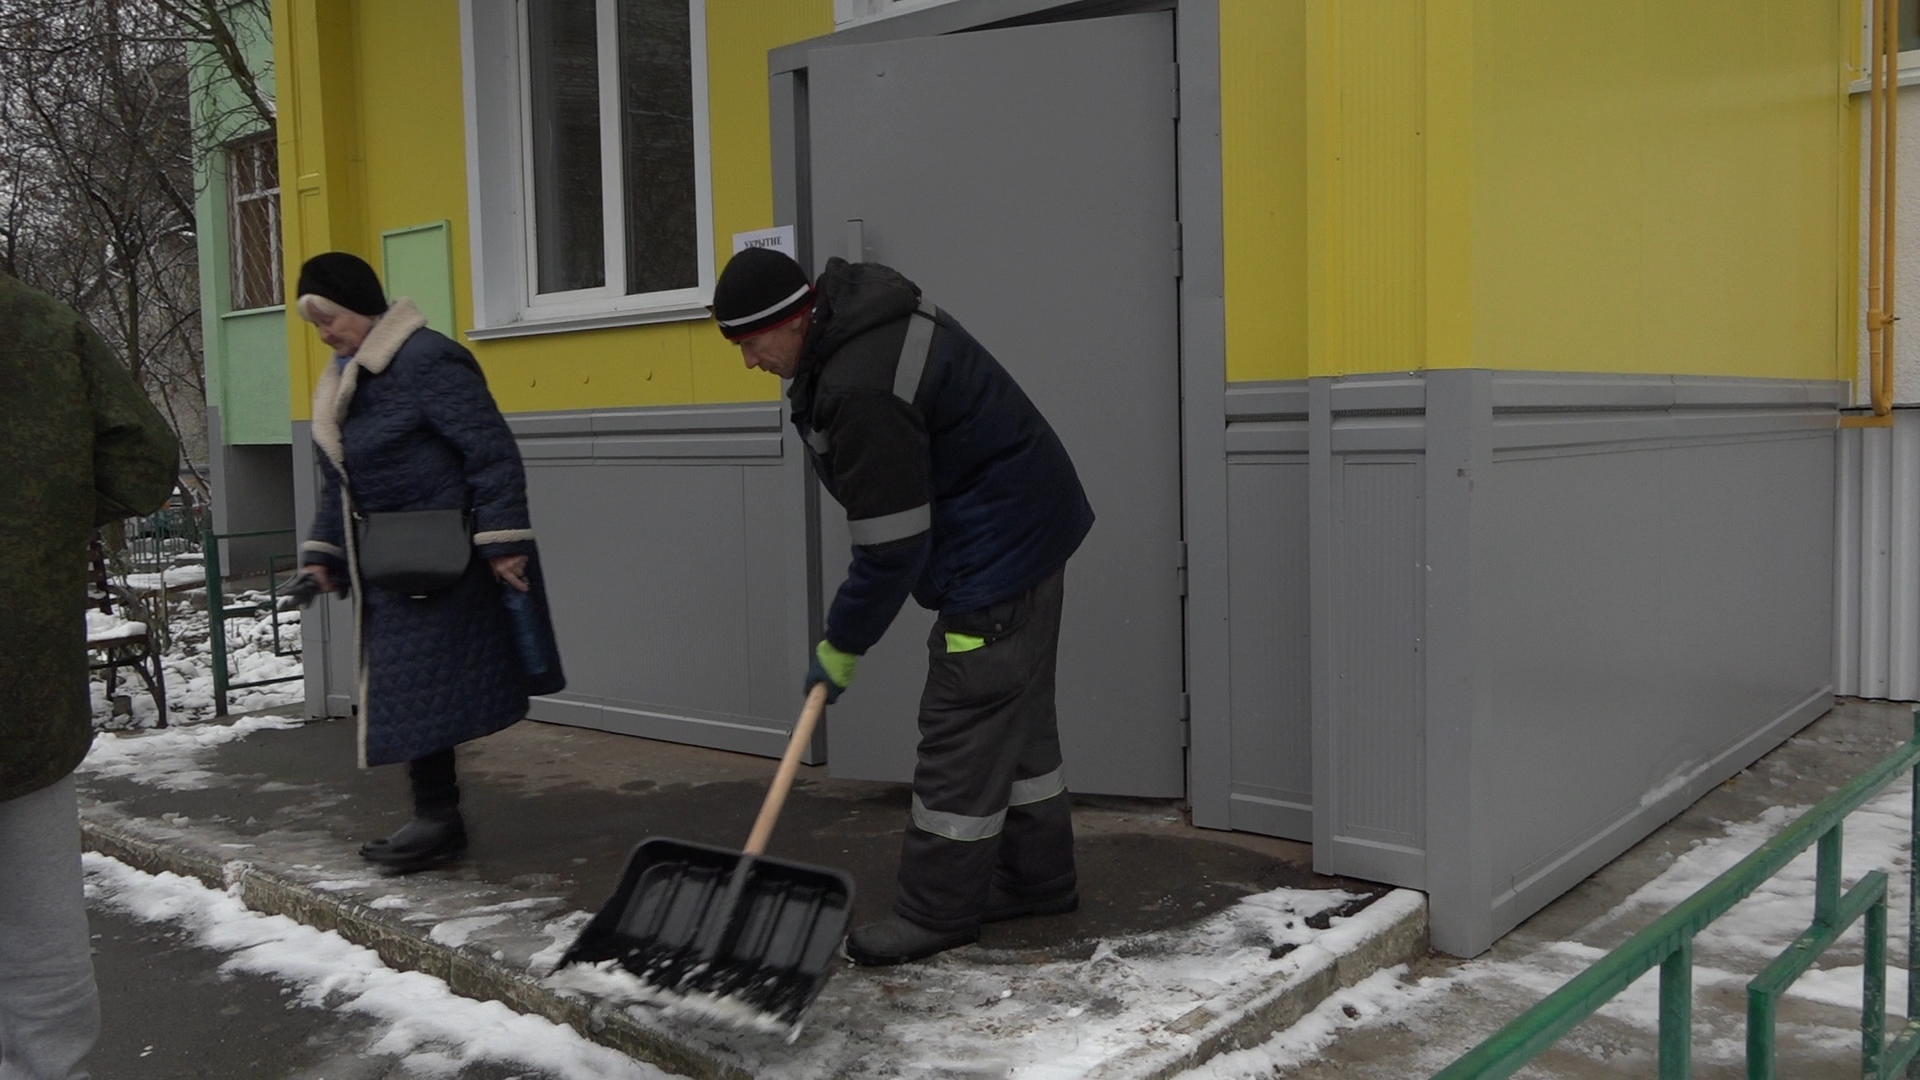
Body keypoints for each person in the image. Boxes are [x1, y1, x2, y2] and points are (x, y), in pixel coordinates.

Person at [713, 247, 1094, 965]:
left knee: (965, 723)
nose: (749, 362)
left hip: (999, 548)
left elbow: (891, 548)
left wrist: (841, 645)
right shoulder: (856, 325)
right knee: (1016, 719)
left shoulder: (860, 382)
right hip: (1030, 525)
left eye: (752, 344)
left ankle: (935, 912)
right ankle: (1037, 880)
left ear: (794, 320)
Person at [294, 252, 563, 873]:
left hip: (443, 557)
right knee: (413, 691)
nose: (324, 332)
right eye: (316, 324)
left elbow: (490, 451)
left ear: (361, 308)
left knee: (422, 690)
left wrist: (502, 543)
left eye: (329, 318)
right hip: (392, 563)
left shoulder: (424, 359)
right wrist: (323, 556)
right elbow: (339, 481)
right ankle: (437, 818)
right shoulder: (345, 374)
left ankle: (437, 819)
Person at [1, 271, 179, 1078]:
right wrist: (43, 517)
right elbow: (144, 461)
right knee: (42, 954)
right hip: (23, 692)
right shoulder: (36, 323)